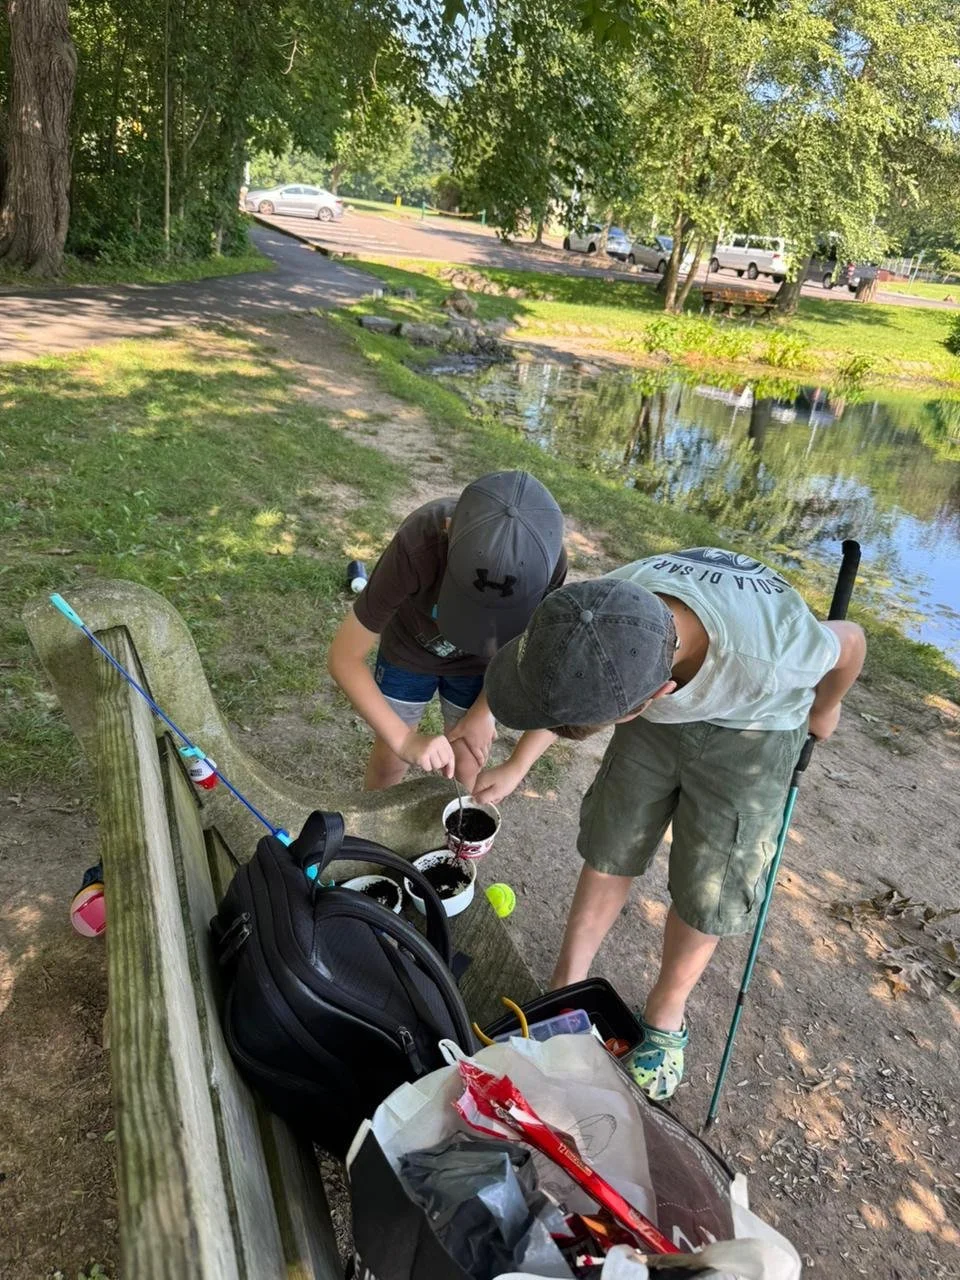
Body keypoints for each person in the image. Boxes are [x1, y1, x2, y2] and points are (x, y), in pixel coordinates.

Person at [476, 547, 866, 1100]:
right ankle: (567, 985)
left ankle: (665, 1015)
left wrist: (826, 706)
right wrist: (519, 763)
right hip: (664, 711)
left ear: (650, 698)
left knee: (712, 879)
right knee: (614, 839)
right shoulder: (606, 605)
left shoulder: (781, 654)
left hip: (755, 728)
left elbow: (850, 641)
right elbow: (566, 687)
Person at [327, 471, 567, 792]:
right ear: (448, 529)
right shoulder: (417, 543)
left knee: (467, 761)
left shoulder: (550, 564)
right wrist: (404, 739)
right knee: (389, 761)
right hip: (410, 650)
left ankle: (453, 838)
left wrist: (485, 709)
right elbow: (344, 657)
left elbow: (523, 648)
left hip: (482, 666)